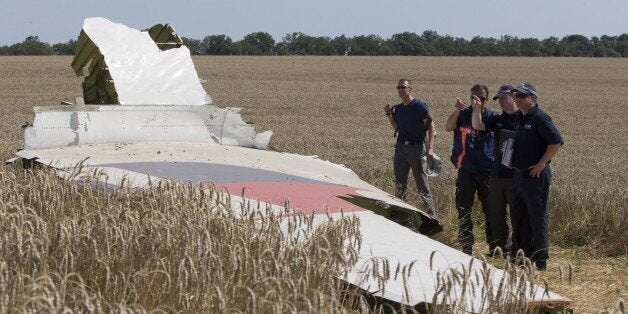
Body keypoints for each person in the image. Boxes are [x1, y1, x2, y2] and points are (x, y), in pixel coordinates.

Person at [509, 82, 563, 270]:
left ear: (533, 98)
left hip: (535, 176)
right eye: (517, 96)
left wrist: (542, 163)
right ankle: (523, 255)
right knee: (519, 215)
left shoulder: (539, 117)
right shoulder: (519, 118)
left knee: (537, 215)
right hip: (518, 174)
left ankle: (540, 259)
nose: (519, 99)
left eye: (523, 96)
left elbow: (555, 141)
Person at [444, 84, 497, 255]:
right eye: (473, 98)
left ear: (486, 100)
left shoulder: (492, 117)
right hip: (466, 169)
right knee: (463, 209)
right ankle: (466, 246)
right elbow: (448, 127)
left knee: (491, 209)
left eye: (480, 99)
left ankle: (494, 246)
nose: (476, 101)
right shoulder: (463, 114)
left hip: (486, 170)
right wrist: (457, 110)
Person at [471, 85, 518, 256]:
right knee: (496, 212)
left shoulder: (523, 119)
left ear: (514, 98)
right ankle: (501, 248)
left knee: (517, 213)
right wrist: (476, 108)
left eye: (505, 98)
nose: (502, 103)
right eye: (499, 100)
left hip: (516, 176)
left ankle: (517, 248)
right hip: (497, 174)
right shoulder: (498, 120)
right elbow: (477, 124)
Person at [384, 79, 438, 217]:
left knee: (422, 186)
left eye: (403, 87)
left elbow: (431, 127)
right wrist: (389, 114)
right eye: (398, 87)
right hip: (401, 148)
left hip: (417, 148)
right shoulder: (399, 108)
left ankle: (432, 217)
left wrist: (430, 148)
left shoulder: (420, 106)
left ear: (410, 89)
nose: (400, 89)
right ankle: (400, 217)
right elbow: (397, 128)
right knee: (399, 186)